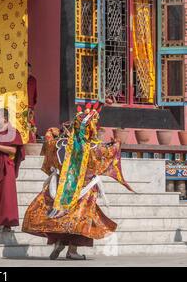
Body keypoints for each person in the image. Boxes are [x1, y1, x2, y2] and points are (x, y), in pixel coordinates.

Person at [22, 102, 135, 260]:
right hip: (84, 188)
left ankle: (60, 242)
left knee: (64, 216)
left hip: (62, 186)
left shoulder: (61, 143)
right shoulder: (93, 147)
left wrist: (49, 132)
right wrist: (117, 143)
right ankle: (72, 250)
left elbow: (48, 145)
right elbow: (109, 153)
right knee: (79, 218)